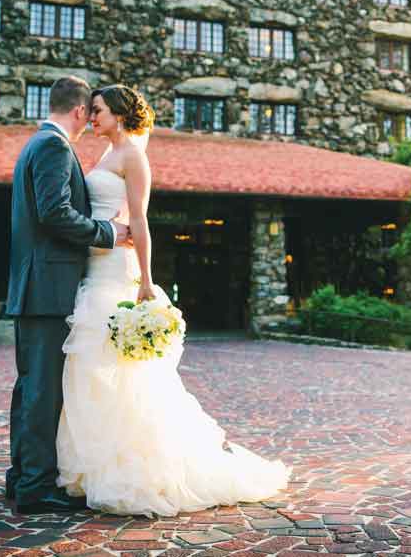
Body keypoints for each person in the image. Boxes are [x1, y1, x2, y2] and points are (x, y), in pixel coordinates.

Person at [55, 84, 290, 517]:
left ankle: (139, 469)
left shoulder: (133, 157)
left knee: (124, 372)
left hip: (117, 271)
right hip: (94, 268)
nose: (93, 117)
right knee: (91, 369)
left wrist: (146, 281)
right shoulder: (104, 154)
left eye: (100, 110)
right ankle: (97, 464)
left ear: (120, 114)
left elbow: (140, 220)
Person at [4, 76, 132, 515]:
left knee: (30, 388)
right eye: (91, 112)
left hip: (37, 287)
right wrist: (108, 232)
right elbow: (55, 213)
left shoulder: (38, 143)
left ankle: (21, 477)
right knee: (42, 392)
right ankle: (36, 488)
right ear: (79, 111)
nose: (92, 119)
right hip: (49, 289)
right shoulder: (54, 147)